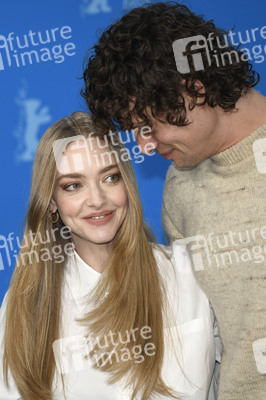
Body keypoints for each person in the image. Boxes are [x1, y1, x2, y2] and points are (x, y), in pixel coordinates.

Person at [81, 2, 266, 399]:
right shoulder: (180, 187)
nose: (144, 147)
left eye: (148, 125)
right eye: (134, 130)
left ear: (194, 88)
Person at [0, 112, 220, 400]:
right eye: (73, 185)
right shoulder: (24, 305)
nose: (97, 199)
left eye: (110, 177)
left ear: (126, 183)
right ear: (52, 202)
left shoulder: (190, 272)